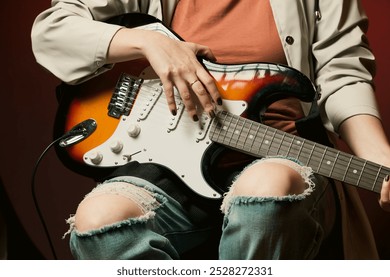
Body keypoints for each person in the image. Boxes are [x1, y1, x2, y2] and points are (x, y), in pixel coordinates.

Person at [31, 0, 390, 259]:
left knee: (265, 192)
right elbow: (52, 30)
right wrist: (149, 42)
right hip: (164, 166)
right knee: (99, 222)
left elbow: (344, 77)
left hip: (281, 151)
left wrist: (383, 163)